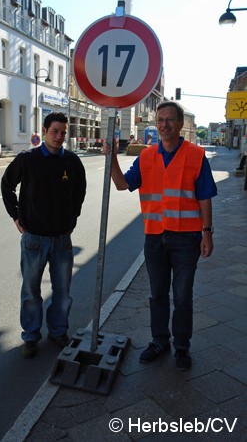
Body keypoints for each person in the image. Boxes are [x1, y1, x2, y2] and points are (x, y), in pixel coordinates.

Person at [103, 101, 217, 371]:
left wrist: (207, 233)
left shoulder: (195, 155)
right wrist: (112, 159)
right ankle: (159, 342)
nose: (164, 124)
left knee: (182, 295)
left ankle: (181, 347)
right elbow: (121, 185)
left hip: (187, 238)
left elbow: (204, 198)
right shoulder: (146, 157)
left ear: (180, 124)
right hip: (155, 237)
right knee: (157, 294)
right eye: (160, 120)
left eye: (170, 120)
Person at [1, 112, 86, 358]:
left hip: (62, 240)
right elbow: (7, 185)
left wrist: (73, 218)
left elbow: (79, 191)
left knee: (62, 291)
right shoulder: (27, 159)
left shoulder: (71, 161)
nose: (59, 137)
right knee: (30, 291)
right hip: (34, 240)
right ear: (45, 130)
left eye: (63, 133)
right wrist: (15, 216)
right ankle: (30, 336)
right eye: (54, 131)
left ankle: (58, 331)